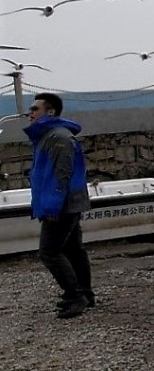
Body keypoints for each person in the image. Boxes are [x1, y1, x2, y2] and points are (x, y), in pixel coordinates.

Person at [25, 92, 93, 318]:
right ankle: (84, 293)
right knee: (73, 249)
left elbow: (61, 175)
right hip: (66, 203)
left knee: (49, 251)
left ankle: (76, 296)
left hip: (63, 205)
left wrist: (52, 207)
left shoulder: (59, 138)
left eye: (35, 109)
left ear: (50, 111)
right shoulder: (48, 136)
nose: (30, 113)